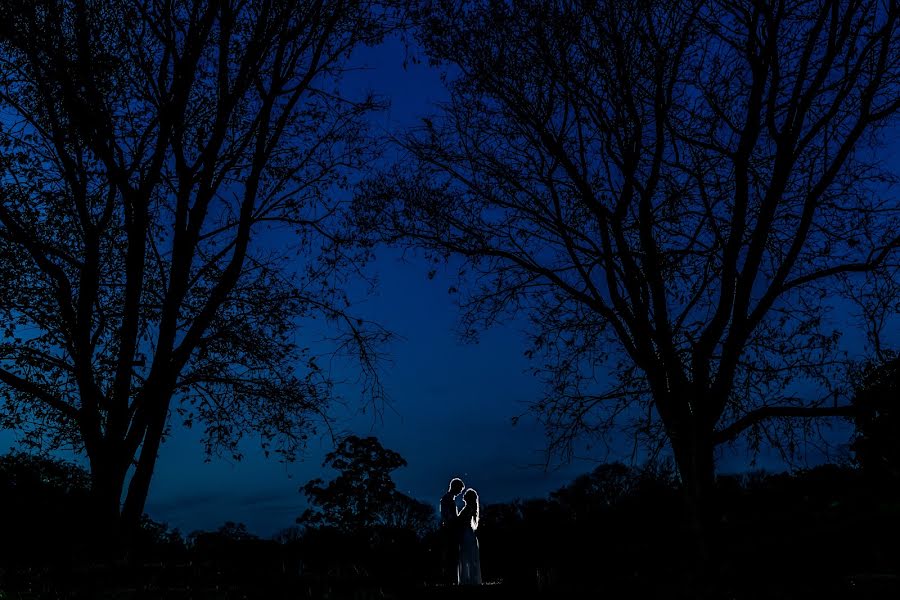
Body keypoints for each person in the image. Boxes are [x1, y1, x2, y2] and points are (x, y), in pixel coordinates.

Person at [439, 477, 465, 584]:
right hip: (449, 530)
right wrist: (457, 520)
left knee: (452, 554)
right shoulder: (447, 498)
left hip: (450, 529)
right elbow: (447, 516)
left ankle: (451, 578)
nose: (460, 492)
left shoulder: (448, 498)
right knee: (451, 554)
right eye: (459, 489)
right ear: (455, 487)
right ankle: (449, 578)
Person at [456, 488, 482, 585]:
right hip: (468, 533)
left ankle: (468, 579)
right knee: (469, 557)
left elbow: (461, 521)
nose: (464, 495)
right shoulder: (470, 508)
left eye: (466, 494)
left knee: (466, 557)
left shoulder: (468, 509)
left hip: (466, 533)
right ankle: (470, 578)